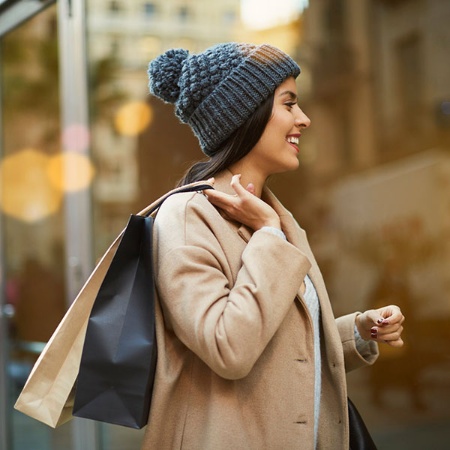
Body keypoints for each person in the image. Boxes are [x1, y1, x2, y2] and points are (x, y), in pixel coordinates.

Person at [144, 43, 405, 450]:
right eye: (288, 104)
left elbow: (281, 343)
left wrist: (359, 330)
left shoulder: (276, 216)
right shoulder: (187, 217)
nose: (303, 118)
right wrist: (267, 235)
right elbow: (228, 346)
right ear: (245, 113)